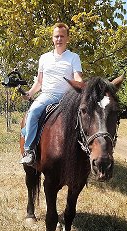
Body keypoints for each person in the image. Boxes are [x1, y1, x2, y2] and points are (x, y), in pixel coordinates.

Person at [20, 22, 83, 165]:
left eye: (62, 36)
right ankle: (29, 150)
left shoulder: (74, 57)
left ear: (68, 38)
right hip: (48, 95)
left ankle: (88, 152)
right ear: (52, 39)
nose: (59, 39)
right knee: (34, 111)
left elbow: (77, 77)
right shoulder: (44, 58)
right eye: (56, 36)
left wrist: (81, 85)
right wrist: (30, 93)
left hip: (69, 97)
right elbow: (39, 82)